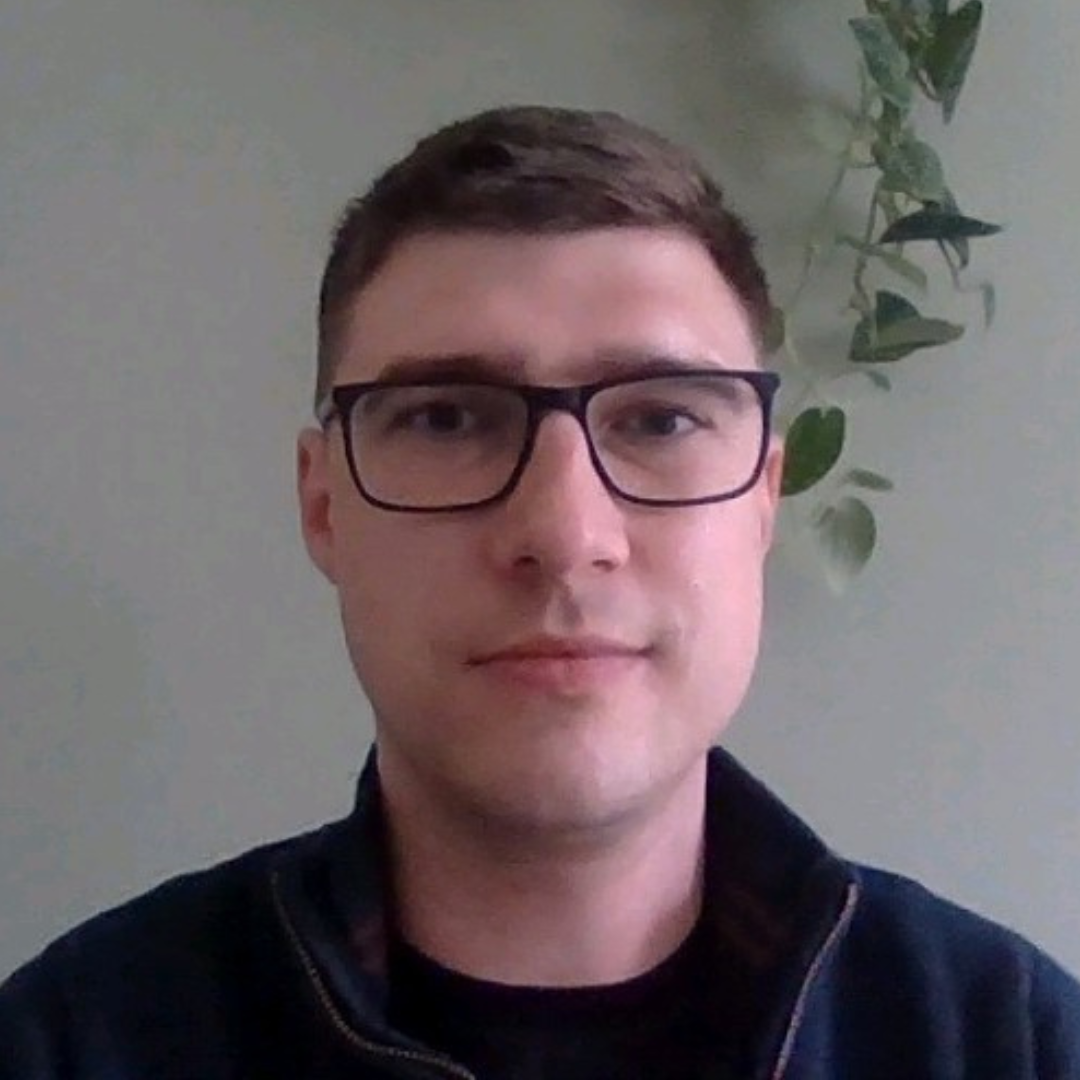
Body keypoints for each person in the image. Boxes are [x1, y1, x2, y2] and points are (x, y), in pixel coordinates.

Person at [1, 105, 1078, 1080]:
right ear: (323, 505)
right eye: (446, 419)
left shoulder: (1013, 1042)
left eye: (660, 419)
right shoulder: (74, 1043)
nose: (565, 536)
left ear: (762, 497)